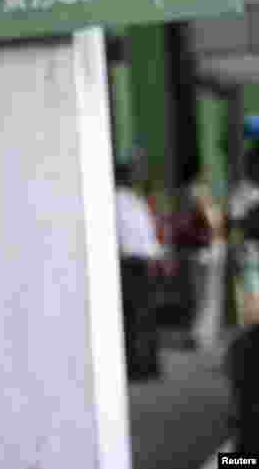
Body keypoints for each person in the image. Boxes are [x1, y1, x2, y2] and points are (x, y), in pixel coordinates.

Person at [114, 162, 164, 381]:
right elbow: (144, 234)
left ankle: (143, 364)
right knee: (139, 316)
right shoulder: (129, 201)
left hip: (135, 263)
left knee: (138, 316)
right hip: (136, 263)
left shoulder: (129, 200)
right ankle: (142, 365)